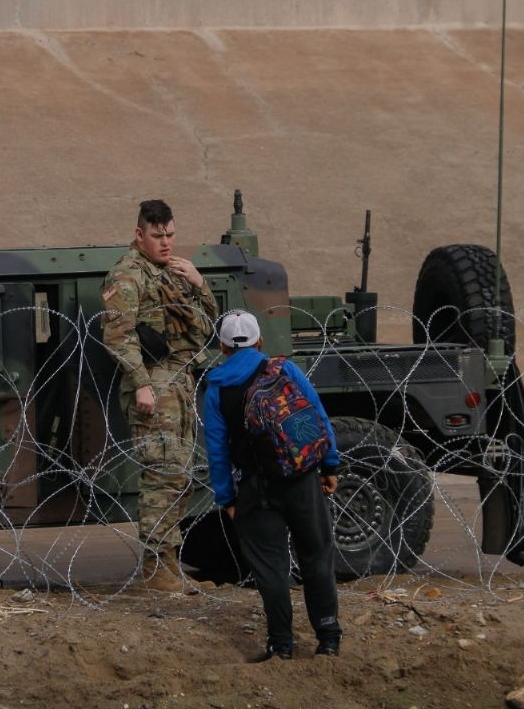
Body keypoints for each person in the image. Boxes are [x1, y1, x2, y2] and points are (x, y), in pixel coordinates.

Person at [203, 310, 343, 660]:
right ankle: (328, 638)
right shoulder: (284, 369)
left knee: (271, 568)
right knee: (317, 557)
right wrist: (329, 464)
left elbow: (217, 450)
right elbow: (316, 416)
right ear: (260, 341)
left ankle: (281, 645)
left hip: (256, 486)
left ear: (222, 346)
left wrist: (227, 498)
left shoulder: (216, 388)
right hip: (301, 479)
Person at [101, 199, 218, 593]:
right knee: (161, 476)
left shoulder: (174, 272)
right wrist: (142, 384)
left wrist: (200, 283)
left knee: (179, 477)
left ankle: (168, 563)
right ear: (139, 234)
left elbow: (204, 328)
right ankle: (154, 568)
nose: (166, 243)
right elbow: (119, 335)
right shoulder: (128, 274)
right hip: (154, 383)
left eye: (170, 234)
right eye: (157, 236)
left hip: (179, 383)